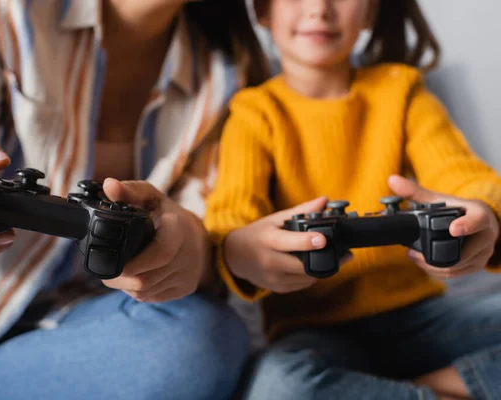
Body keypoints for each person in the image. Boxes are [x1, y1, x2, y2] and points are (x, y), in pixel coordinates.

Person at [0, 0, 271, 399]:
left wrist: (191, 248)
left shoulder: (230, 74)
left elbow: (204, 240)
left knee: (208, 338)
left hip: (83, 330)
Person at [204, 0, 501, 399]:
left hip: (423, 318)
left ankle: (421, 388)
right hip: (315, 333)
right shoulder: (253, 113)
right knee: (280, 388)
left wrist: (485, 213)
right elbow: (231, 223)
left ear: (371, 10)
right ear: (261, 10)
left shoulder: (402, 90)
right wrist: (241, 252)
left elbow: (462, 176)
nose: (319, 9)